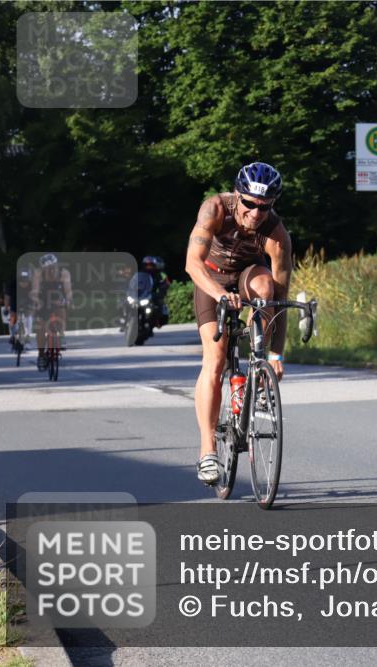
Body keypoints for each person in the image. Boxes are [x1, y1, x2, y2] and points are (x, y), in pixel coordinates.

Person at [185, 162, 293, 485]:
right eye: (249, 203)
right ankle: (208, 450)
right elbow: (191, 264)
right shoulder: (215, 208)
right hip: (210, 279)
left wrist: (275, 355)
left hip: (247, 275)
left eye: (264, 206)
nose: (255, 213)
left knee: (266, 289)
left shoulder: (276, 234)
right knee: (215, 359)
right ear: (237, 196)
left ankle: (256, 360)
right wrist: (219, 294)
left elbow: (280, 302)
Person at [30, 254, 72, 369]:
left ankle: (61, 336)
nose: (52, 270)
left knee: (62, 310)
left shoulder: (64, 273)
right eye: (48, 268)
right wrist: (37, 301)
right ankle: (41, 355)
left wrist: (68, 301)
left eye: (54, 266)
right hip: (43, 299)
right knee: (41, 327)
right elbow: (35, 291)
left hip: (58, 298)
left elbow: (68, 290)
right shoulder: (38, 274)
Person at [140, 255, 171, 326]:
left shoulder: (161, 274)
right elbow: (135, 282)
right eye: (147, 265)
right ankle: (124, 319)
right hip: (142, 294)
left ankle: (157, 320)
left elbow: (166, 283)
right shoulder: (141, 274)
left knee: (158, 303)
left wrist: (163, 288)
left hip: (153, 293)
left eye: (150, 265)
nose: (148, 267)